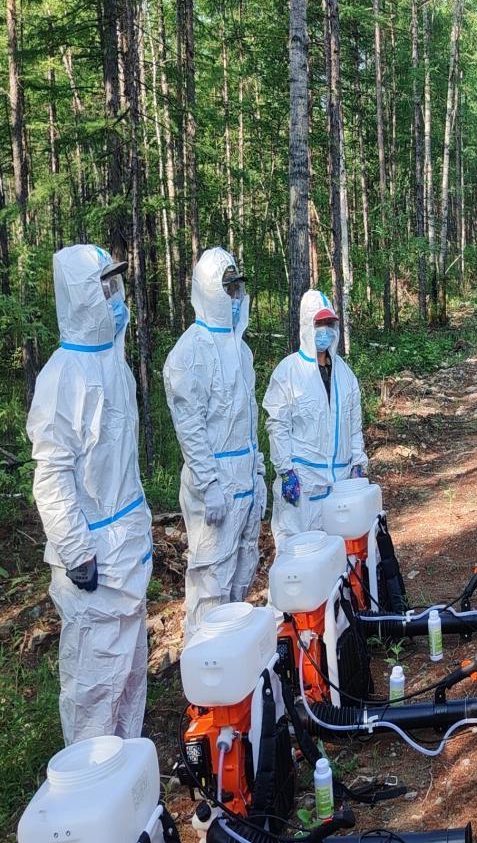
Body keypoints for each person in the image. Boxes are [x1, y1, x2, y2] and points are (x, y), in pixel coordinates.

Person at [27, 245, 153, 744]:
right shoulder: (61, 376)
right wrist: (77, 551)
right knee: (94, 687)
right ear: (81, 295)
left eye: (114, 285)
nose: (113, 297)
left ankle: (127, 775)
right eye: (102, 287)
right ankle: (93, 780)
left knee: (129, 678)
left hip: (127, 552)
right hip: (94, 561)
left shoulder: (115, 365)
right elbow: (52, 475)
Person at [163, 248, 265, 644]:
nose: (235, 297)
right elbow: (190, 427)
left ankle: (232, 659)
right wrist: (209, 484)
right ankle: (205, 664)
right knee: (211, 580)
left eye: (238, 288)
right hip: (216, 486)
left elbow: (247, 421)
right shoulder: (190, 353)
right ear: (208, 290)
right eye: (227, 288)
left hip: (244, 480)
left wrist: (257, 473)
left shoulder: (241, 350)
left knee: (241, 571)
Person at [263, 290, 368, 549]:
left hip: (340, 487)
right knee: (298, 557)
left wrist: (357, 462)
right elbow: (277, 425)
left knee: (339, 556)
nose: (325, 331)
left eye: (330, 324)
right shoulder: (289, 372)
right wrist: (286, 471)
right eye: (319, 324)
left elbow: (354, 426)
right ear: (307, 326)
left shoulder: (345, 375)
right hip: (304, 486)